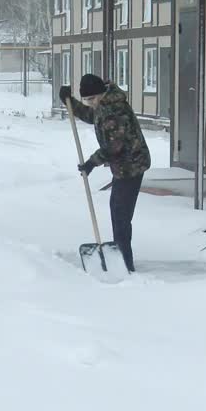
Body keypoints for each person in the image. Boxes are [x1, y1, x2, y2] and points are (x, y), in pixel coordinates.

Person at [59, 74, 151, 272]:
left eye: (92, 99)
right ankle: (122, 257)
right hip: (123, 167)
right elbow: (92, 116)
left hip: (131, 166)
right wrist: (71, 103)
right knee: (118, 211)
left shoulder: (114, 110)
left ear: (101, 94)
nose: (91, 103)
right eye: (87, 100)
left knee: (120, 215)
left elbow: (114, 145)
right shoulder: (104, 103)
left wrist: (92, 162)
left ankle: (125, 262)